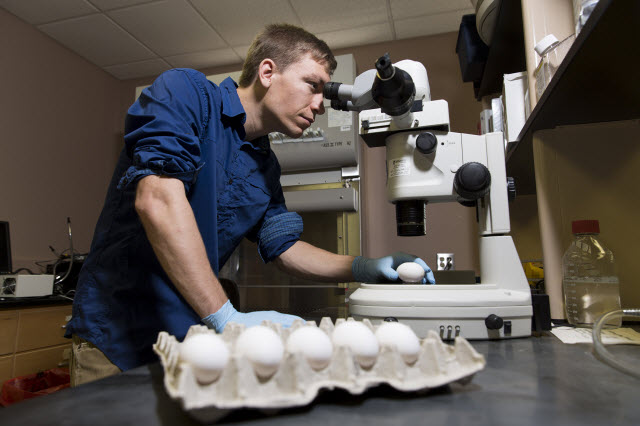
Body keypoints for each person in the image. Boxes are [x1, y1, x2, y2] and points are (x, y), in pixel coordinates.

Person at [65, 23, 434, 386]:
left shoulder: (265, 165)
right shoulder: (187, 94)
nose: (320, 105)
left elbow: (284, 248)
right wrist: (228, 317)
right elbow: (157, 200)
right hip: (117, 337)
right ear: (268, 71)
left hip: (188, 340)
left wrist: (366, 267)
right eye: (313, 86)